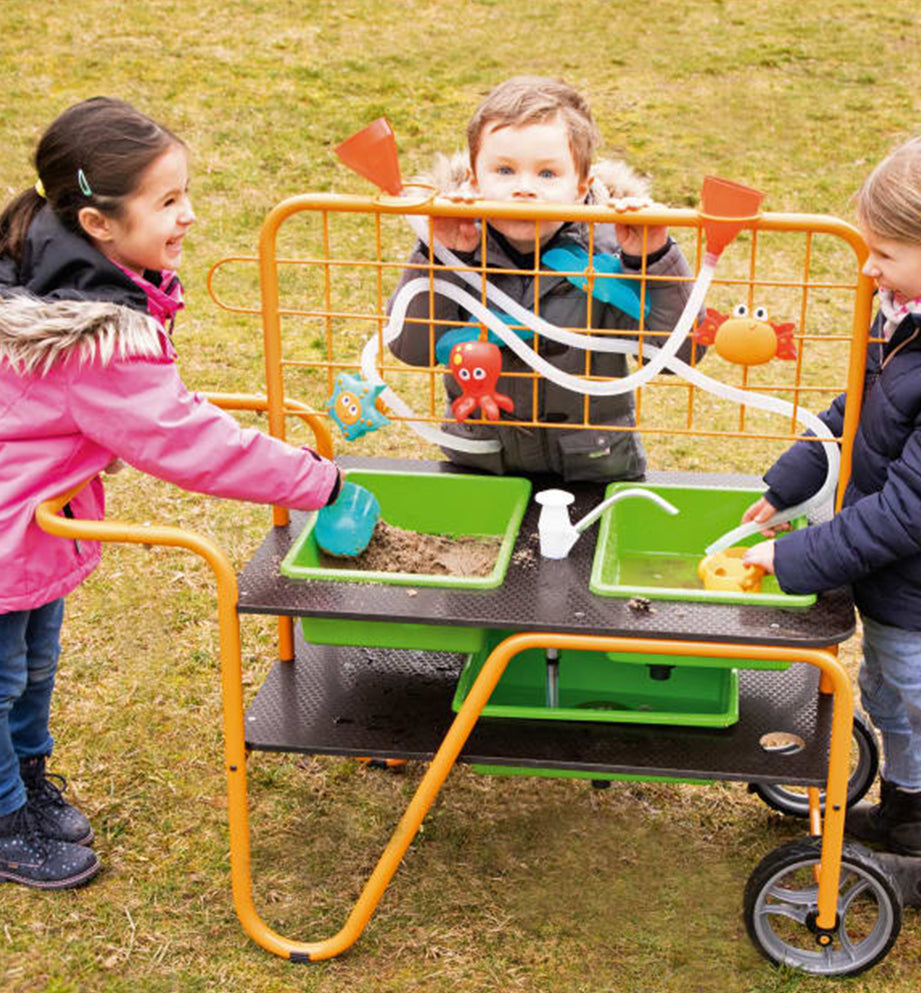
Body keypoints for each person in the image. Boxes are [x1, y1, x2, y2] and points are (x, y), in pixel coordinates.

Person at [0, 98, 344, 890]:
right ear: (98, 222)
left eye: (185, 193)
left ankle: (23, 785)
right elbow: (185, 440)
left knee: (33, 665)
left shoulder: (67, 265)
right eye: (167, 202)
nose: (188, 216)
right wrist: (312, 479)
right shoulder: (95, 338)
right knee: (2, 677)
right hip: (10, 531)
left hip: (28, 530)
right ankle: (5, 818)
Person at [742, 129, 921, 914]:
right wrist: (790, 481)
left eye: (883, 251)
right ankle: (906, 812)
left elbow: (914, 510)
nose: (867, 267)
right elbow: (854, 409)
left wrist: (798, 560)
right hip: (895, 581)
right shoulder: (916, 314)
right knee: (891, 701)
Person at [387, 76, 702, 482]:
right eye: (504, 170)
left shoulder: (611, 251)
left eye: (547, 174)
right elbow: (411, 349)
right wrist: (440, 256)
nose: (524, 189)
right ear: (475, 179)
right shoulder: (453, 244)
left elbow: (677, 357)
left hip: (594, 467)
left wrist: (654, 259)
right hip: (481, 463)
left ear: (581, 185)